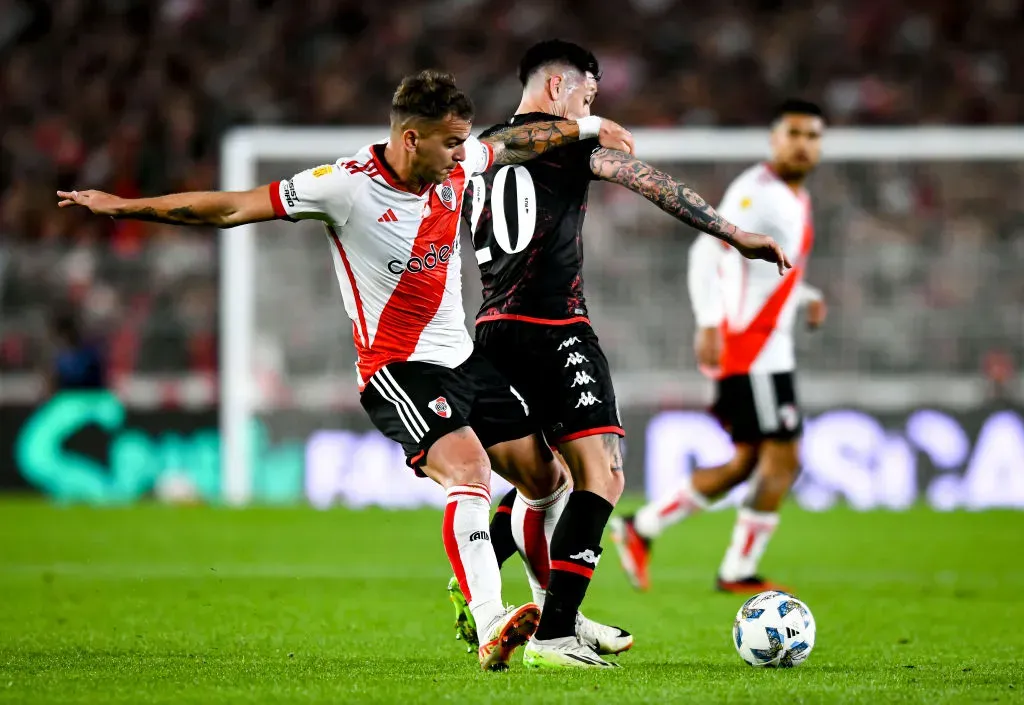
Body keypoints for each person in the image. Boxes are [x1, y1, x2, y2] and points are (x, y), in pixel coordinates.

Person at [57, 69, 634, 672]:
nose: (461, 155)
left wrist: (588, 125)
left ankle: (556, 623)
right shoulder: (344, 186)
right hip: (398, 368)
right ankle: (491, 619)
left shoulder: (458, 163)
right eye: (449, 144)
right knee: (470, 470)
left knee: (549, 482)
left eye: (464, 144)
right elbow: (230, 208)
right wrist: (124, 207)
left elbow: (515, 145)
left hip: (463, 359)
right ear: (411, 139)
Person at [448, 40, 792, 670]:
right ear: (559, 88)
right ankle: (555, 634)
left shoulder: (482, 150)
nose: (591, 105)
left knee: (540, 483)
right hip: (555, 329)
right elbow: (646, 180)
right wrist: (732, 232)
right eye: (588, 93)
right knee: (601, 475)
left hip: (490, 334)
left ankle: (531, 602)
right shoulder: (571, 140)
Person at [610, 99, 827, 595]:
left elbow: (767, 273)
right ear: (774, 139)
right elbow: (707, 249)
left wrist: (807, 296)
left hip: (766, 347)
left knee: (747, 461)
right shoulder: (757, 192)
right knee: (784, 459)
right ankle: (737, 570)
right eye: (793, 133)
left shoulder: (795, 197)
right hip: (753, 350)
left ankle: (642, 527)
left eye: (812, 135)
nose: (803, 143)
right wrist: (708, 322)